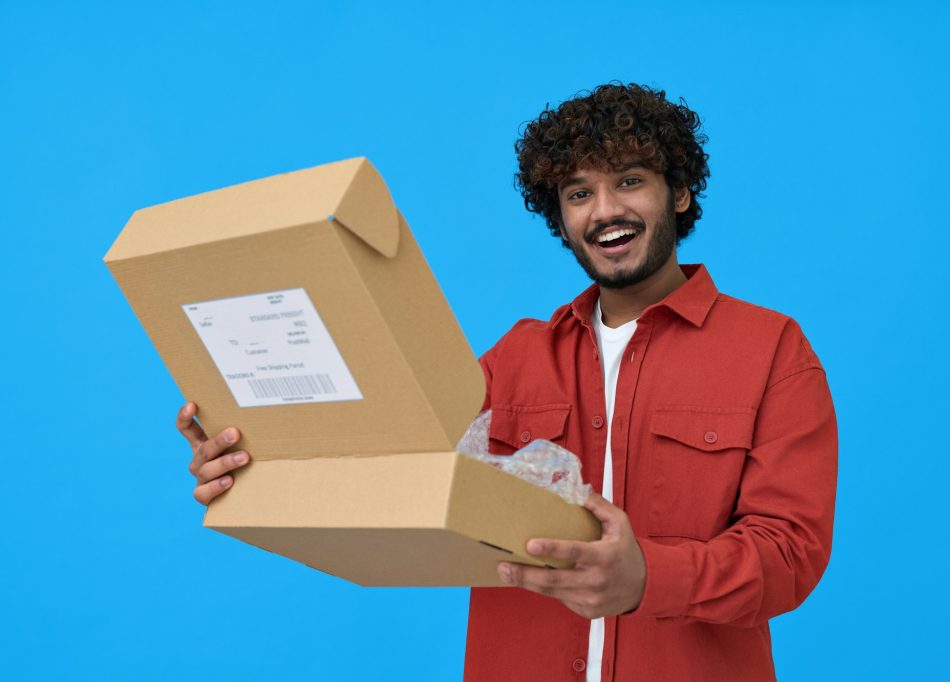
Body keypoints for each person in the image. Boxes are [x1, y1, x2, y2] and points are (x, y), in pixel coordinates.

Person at [177, 83, 838, 681]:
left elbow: (790, 553)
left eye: (630, 181)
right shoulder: (516, 358)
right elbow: (405, 465)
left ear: (681, 192)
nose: (605, 210)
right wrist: (255, 458)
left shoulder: (772, 350)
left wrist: (649, 578)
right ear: (561, 218)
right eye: (579, 193)